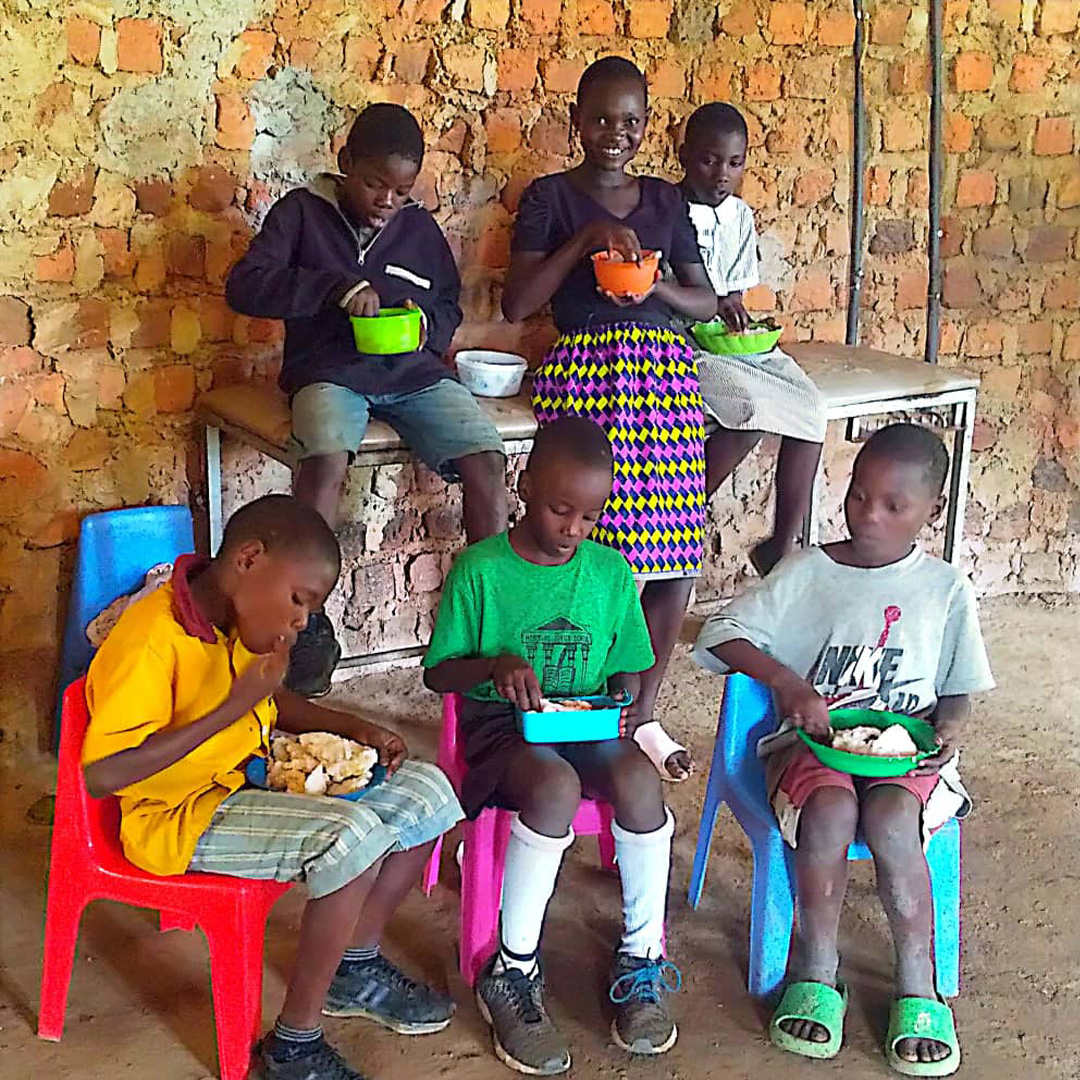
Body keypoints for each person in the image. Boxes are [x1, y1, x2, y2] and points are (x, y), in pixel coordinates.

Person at [82, 495, 465, 1080]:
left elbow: (266, 697)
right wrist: (233, 706)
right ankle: (294, 1044)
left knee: (425, 791)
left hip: (244, 778)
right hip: (175, 816)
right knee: (352, 836)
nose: (302, 621)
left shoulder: (235, 616)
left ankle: (352, 966)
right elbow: (103, 773)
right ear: (249, 559)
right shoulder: (150, 637)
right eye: (299, 600)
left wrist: (354, 725)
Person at [692, 424, 994, 1077]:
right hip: (814, 742)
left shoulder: (945, 590)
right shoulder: (808, 571)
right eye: (859, 496)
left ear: (932, 512)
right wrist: (788, 682)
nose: (869, 515)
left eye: (894, 505)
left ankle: (920, 981)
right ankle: (817, 966)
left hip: (904, 749)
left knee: (889, 819)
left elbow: (959, 690)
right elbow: (720, 635)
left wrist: (950, 732)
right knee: (828, 815)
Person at [423, 417, 681, 1076]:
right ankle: (510, 969)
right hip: (501, 728)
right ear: (525, 485)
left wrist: (624, 689)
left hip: (584, 722)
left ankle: (642, 956)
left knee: (640, 781)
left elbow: (628, 664)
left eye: (590, 516)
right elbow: (438, 673)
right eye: (559, 508)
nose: (573, 528)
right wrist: (492, 665)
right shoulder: (480, 570)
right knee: (555, 786)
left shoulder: (610, 572)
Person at [226, 103, 508, 697]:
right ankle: (307, 626)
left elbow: (448, 305)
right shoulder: (301, 214)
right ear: (345, 162)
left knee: (486, 460)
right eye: (375, 183)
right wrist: (332, 288)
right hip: (330, 372)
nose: (386, 201)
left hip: (412, 373)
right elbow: (246, 286)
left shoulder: (418, 230)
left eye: (401, 191)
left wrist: (425, 325)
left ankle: (491, 619)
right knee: (326, 458)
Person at [500, 56, 716, 772]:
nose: (614, 133)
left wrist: (651, 291)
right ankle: (583, 703)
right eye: (599, 119)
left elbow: (706, 302)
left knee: (678, 552)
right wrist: (584, 242)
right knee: (599, 550)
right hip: (585, 369)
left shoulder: (663, 201)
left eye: (629, 121)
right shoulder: (551, 198)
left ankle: (642, 712)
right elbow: (518, 305)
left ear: (646, 126)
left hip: (663, 376)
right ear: (575, 122)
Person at [678, 102, 827, 577]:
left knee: (810, 409)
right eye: (708, 160)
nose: (722, 174)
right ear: (683, 156)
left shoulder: (740, 216)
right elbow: (673, 292)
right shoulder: (666, 210)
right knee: (750, 411)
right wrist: (711, 304)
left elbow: (734, 289)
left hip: (731, 343)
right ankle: (680, 512)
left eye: (734, 163)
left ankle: (779, 545)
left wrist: (734, 308)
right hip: (684, 345)